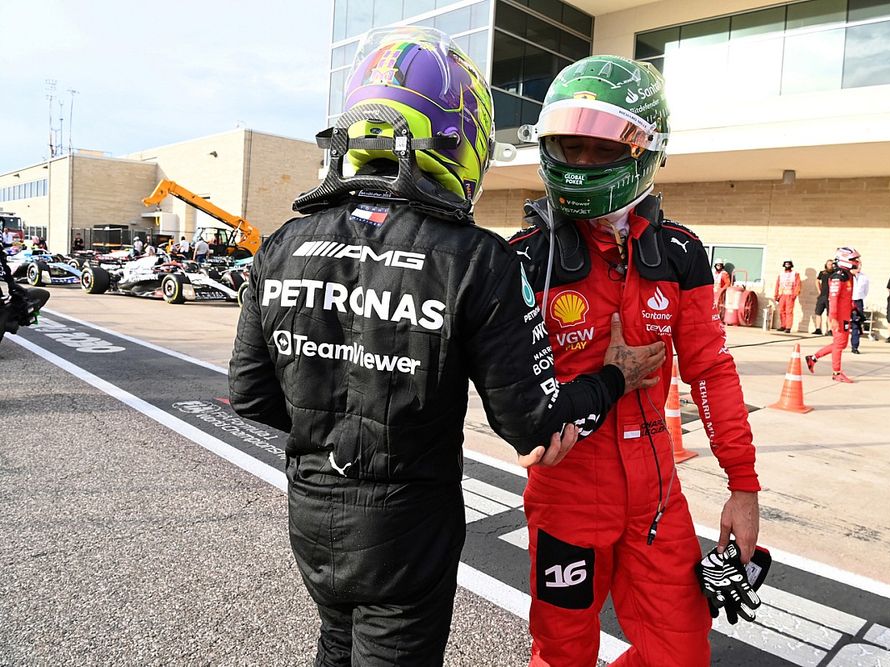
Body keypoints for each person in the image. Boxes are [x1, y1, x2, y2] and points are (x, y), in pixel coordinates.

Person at [228, 28, 666, 667]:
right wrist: (609, 381)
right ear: (458, 140)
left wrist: (331, 430)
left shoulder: (284, 243)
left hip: (311, 512)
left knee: (336, 644)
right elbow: (536, 428)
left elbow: (249, 393)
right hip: (409, 524)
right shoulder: (475, 257)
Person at [511, 54, 760, 666]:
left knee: (681, 653)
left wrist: (743, 486)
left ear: (647, 149)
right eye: (570, 148)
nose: (583, 163)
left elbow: (710, 370)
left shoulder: (680, 252)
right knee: (562, 654)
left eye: (601, 149)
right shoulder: (524, 257)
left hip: (657, 501)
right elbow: (500, 387)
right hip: (565, 494)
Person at [805, 247, 860, 383]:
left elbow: (846, 296)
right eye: (854, 259)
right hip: (838, 316)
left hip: (845, 314)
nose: (857, 262)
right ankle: (836, 373)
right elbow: (833, 298)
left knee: (840, 344)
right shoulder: (838, 276)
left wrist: (854, 309)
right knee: (840, 344)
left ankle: (813, 358)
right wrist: (834, 317)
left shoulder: (848, 275)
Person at [773, 259, 801, 332]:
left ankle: (788, 327)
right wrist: (776, 295)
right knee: (782, 311)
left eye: (789, 264)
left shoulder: (795, 274)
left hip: (790, 295)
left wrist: (794, 294)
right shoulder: (781, 274)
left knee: (789, 311)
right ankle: (783, 325)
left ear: (791, 265)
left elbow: (798, 285)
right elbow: (777, 285)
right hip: (782, 295)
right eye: (786, 264)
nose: (787, 265)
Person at [850, 261, 869, 354]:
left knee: (856, 324)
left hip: (858, 301)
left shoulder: (864, 277)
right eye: (857, 266)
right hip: (848, 301)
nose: (858, 268)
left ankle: (854, 346)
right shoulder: (847, 276)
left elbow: (866, 291)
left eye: (860, 266)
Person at [811, 259, 834, 335]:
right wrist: (819, 291)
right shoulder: (822, 273)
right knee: (818, 312)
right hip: (822, 296)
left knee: (829, 314)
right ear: (826, 265)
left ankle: (830, 330)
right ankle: (818, 329)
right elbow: (817, 281)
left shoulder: (835, 273)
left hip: (831, 296)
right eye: (829, 264)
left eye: (831, 264)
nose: (830, 266)